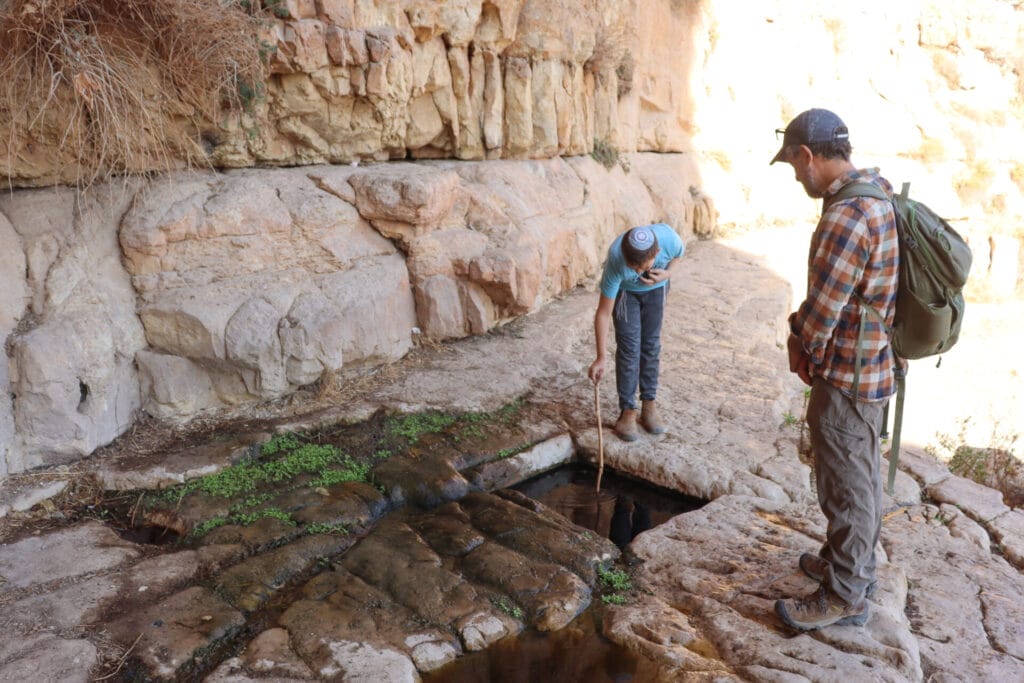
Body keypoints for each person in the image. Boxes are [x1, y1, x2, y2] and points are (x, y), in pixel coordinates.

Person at [770, 108, 900, 630]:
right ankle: (848, 564)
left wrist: (800, 345)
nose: (797, 176)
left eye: (795, 165)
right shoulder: (876, 191)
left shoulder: (847, 216)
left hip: (848, 375)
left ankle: (845, 596)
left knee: (845, 485)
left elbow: (824, 309)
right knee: (860, 477)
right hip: (871, 367)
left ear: (808, 155)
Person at [588, 224, 685, 441]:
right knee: (629, 349)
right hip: (626, 295)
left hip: (656, 290)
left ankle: (649, 404)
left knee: (651, 345)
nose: (638, 272)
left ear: (657, 253)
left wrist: (667, 273)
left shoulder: (669, 240)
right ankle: (627, 410)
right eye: (633, 268)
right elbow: (604, 312)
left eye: (643, 267)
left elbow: (679, 254)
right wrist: (601, 357)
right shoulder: (616, 259)